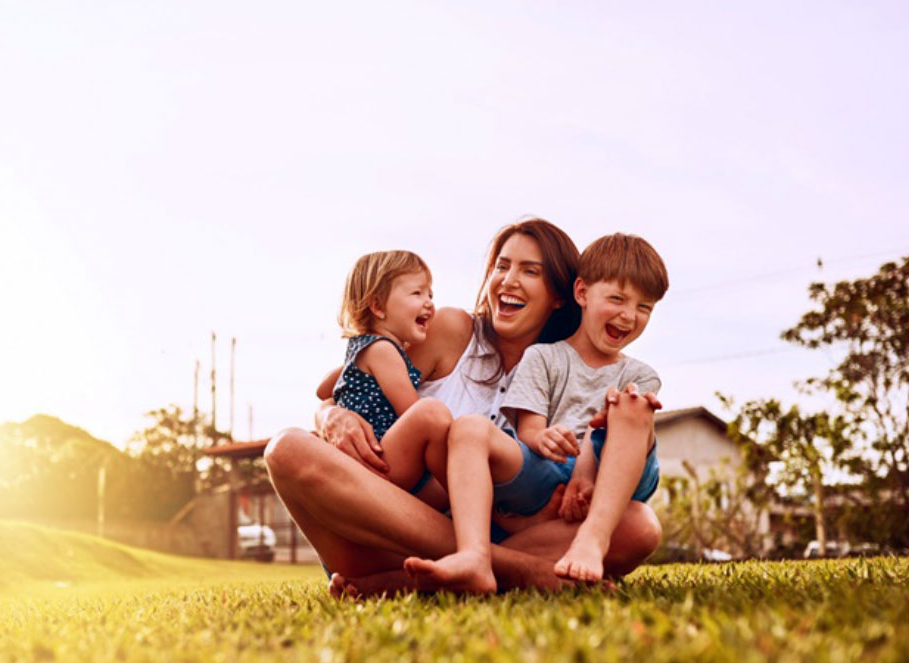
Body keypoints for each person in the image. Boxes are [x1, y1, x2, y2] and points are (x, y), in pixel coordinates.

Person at [264, 219, 663, 596]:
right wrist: (332, 415)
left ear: (561, 296)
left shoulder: (568, 370)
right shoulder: (451, 330)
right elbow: (353, 378)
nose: (508, 280)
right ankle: (514, 569)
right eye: (502, 266)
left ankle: (428, 575)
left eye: (529, 271)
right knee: (286, 448)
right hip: (382, 530)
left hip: (503, 533)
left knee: (639, 526)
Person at [404, 233, 668, 592]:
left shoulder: (639, 375)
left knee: (631, 407)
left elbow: (609, 432)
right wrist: (542, 437)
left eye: (644, 308)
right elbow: (529, 428)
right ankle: (474, 556)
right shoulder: (543, 356)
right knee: (469, 428)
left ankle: (592, 539)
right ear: (581, 294)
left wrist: (587, 473)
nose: (628, 315)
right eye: (618, 299)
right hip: (549, 469)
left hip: (614, 476)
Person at [323, 250, 451, 503]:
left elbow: (322, 390)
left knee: (447, 498)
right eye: (417, 293)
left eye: (430, 294)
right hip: (381, 459)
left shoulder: (361, 348)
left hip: (374, 461)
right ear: (378, 306)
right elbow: (411, 410)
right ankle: (465, 493)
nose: (429, 303)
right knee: (431, 414)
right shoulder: (383, 350)